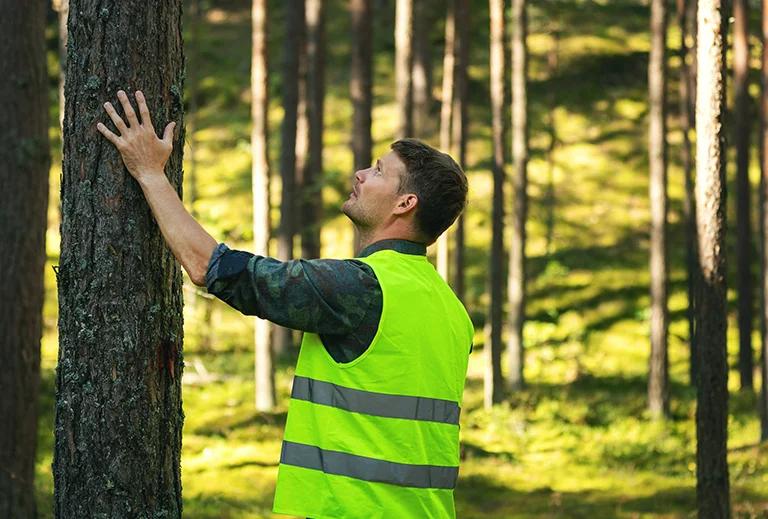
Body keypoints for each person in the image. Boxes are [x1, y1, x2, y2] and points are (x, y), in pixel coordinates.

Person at [97, 90, 474, 519]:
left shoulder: (361, 288)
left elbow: (211, 267)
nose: (360, 174)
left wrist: (149, 173)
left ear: (405, 204)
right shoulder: (452, 311)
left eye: (378, 171)